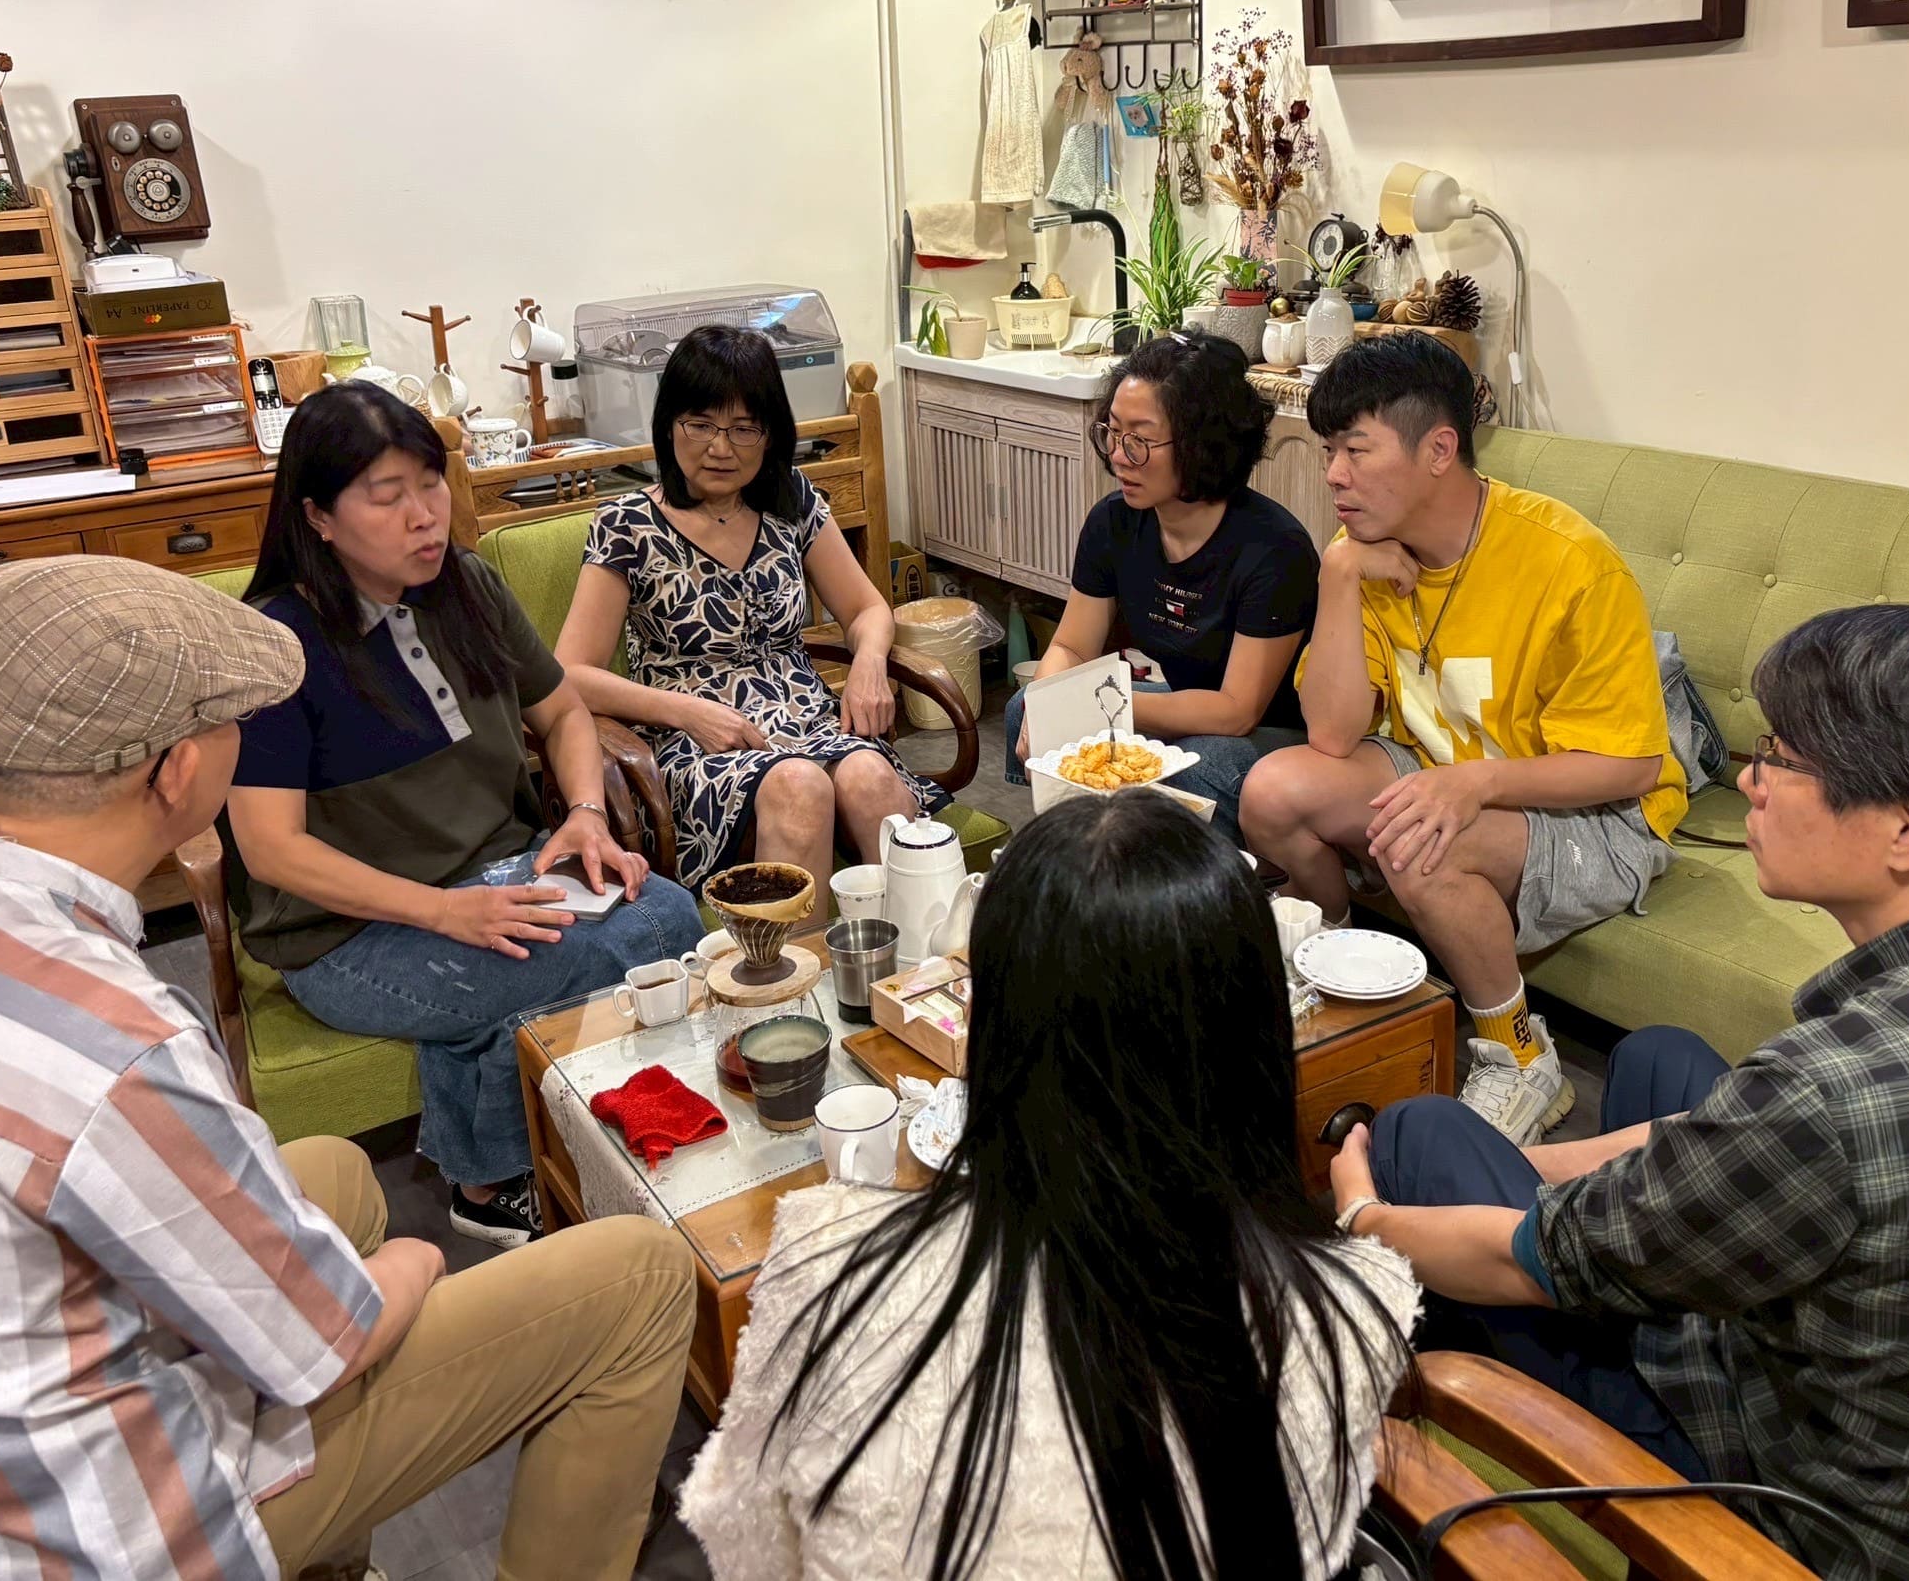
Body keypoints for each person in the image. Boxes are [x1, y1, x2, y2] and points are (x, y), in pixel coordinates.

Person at [0, 556, 694, 1581]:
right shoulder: (122, 1041)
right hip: (97, 1533)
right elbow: (330, 1340)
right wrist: (415, 1261)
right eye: (236, 719)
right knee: (640, 1274)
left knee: (336, 1170)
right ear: (177, 770)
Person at [1329, 604, 1909, 1581]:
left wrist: (1363, 1214)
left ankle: (1415, 1457)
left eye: (1781, 758)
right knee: (1660, 1060)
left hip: (1818, 1533)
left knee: (1418, 1136)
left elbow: (1533, 1258)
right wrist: (1537, 1162)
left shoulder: (1837, 1088)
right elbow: (1770, 1141)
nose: (1749, 779)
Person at [680, 789, 1420, 1580]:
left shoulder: (824, 1260)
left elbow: (748, 1548)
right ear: (1256, 1035)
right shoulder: (1356, 1308)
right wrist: (1359, 1215)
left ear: (994, 1027)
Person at [227, 383, 701, 1249]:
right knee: (561, 961)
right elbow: (272, 852)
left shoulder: (467, 586)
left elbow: (564, 712)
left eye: (430, 484)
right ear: (318, 517)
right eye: (387, 496)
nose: (424, 516)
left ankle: (529, 1155)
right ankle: (490, 1179)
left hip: (500, 866)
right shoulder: (278, 645)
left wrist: (585, 815)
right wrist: (444, 912)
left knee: (670, 915)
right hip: (346, 932)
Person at [1241, 333, 1686, 1143]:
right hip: (1440, 770)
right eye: (1329, 450)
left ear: (1439, 450)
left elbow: (1630, 765)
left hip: (1599, 816)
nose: (1333, 473)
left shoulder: (1570, 562)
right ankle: (1335, 965)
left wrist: (1472, 784)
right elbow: (1331, 735)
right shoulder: (1362, 554)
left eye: (1355, 450)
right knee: (1272, 790)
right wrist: (1338, 575)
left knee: (1420, 838)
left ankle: (1522, 1059)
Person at [557, 323, 944, 914]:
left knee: (869, 777)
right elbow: (570, 672)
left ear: (770, 434)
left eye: (743, 428)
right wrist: (688, 712)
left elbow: (866, 607)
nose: (721, 447)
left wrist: (868, 664)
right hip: (695, 745)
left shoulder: (791, 499)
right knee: (799, 785)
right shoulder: (627, 525)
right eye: (701, 424)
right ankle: (795, 969)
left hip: (809, 722)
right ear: (669, 424)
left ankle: (923, 956)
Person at [1004, 331, 1319, 841]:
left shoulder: (1273, 548)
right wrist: (1050, 703)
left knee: (1200, 764)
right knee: (1027, 706)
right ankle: (1077, 853)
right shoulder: (1114, 522)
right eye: (1112, 432)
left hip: (1273, 732)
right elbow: (1071, 646)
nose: (1119, 455)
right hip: (1189, 706)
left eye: (1141, 440)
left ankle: (1193, 879)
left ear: (1201, 444)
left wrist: (1093, 707)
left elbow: (1237, 710)